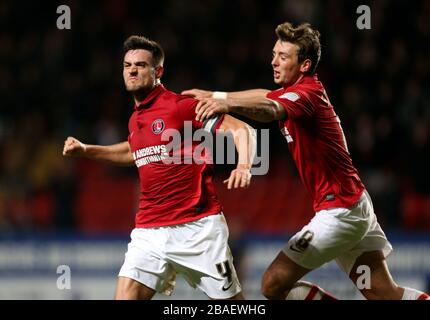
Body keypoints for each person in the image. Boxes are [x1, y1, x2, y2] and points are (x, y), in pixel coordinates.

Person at [182, 22, 430, 300]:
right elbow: (266, 95)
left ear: (304, 64)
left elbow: (270, 109)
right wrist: (216, 95)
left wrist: (228, 105)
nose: (273, 61)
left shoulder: (305, 95)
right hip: (353, 204)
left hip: (340, 211)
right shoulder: (297, 91)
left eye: (283, 56)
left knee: (273, 283)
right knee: (385, 294)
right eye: (274, 54)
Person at [63, 35, 256, 300]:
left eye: (141, 65)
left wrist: (244, 165)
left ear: (158, 71)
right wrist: (87, 150)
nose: (132, 69)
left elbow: (241, 129)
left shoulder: (181, 106)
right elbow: (133, 151)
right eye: (127, 65)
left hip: (197, 230)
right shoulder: (135, 120)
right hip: (149, 231)